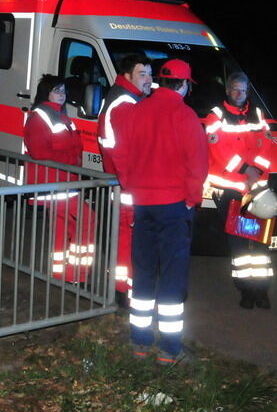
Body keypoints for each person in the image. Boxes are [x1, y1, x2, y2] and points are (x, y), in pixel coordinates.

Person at [120, 59, 208, 364]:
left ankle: (139, 342)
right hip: (173, 206)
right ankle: (170, 349)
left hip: (143, 205)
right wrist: (191, 200)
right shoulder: (185, 115)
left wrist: (134, 193)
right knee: (171, 278)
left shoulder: (136, 110)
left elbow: (126, 158)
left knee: (143, 273)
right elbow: (197, 165)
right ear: (184, 85)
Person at [203, 72, 274, 309]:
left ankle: (262, 290)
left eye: (242, 90)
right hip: (232, 190)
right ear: (227, 90)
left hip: (256, 189)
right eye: (234, 89)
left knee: (261, 242)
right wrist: (246, 168)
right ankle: (245, 290)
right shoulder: (216, 116)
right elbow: (218, 151)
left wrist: (258, 170)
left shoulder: (257, 114)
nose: (238, 94)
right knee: (239, 244)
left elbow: (267, 145)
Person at [24, 75, 94, 283]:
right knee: (88, 220)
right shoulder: (40, 116)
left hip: (65, 183)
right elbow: (39, 152)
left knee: (62, 228)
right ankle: (77, 275)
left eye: (63, 91)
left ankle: (60, 273)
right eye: (57, 91)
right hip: (54, 183)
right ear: (46, 93)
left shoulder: (61, 116)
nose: (62, 95)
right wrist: (72, 160)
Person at [97, 53, 152, 304]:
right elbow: (123, 153)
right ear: (128, 75)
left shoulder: (124, 98)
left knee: (125, 240)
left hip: (124, 184)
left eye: (150, 74)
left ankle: (123, 290)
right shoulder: (125, 104)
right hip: (128, 186)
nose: (148, 80)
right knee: (128, 242)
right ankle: (125, 294)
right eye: (142, 74)